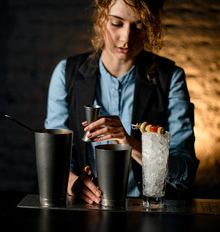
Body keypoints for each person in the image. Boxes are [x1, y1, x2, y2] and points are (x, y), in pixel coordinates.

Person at [45, 0, 199, 204]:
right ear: (101, 19)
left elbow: (185, 174)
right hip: (85, 210)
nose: (126, 38)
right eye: (117, 23)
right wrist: (72, 183)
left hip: (149, 211)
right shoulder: (66, 73)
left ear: (151, 28)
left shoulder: (171, 78)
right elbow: (54, 158)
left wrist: (131, 144)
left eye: (140, 26)